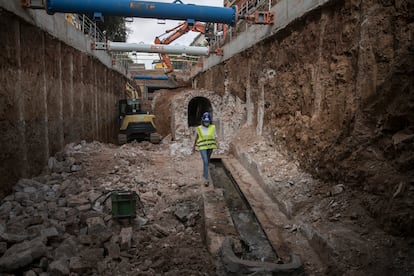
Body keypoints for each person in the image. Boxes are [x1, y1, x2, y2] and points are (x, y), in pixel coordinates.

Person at [193, 112, 217, 186]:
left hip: (210, 147)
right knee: (205, 161)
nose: (207, 123)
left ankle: (204, 173)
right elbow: (196, 137)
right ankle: (206, 179)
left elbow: (215, 136)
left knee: (207, 161)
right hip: (202, 147)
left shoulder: (213, 127)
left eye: (208, 121)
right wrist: (193, 146)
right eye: (205, 121)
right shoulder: (199, 128)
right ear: (203, 121)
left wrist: (218, 144)